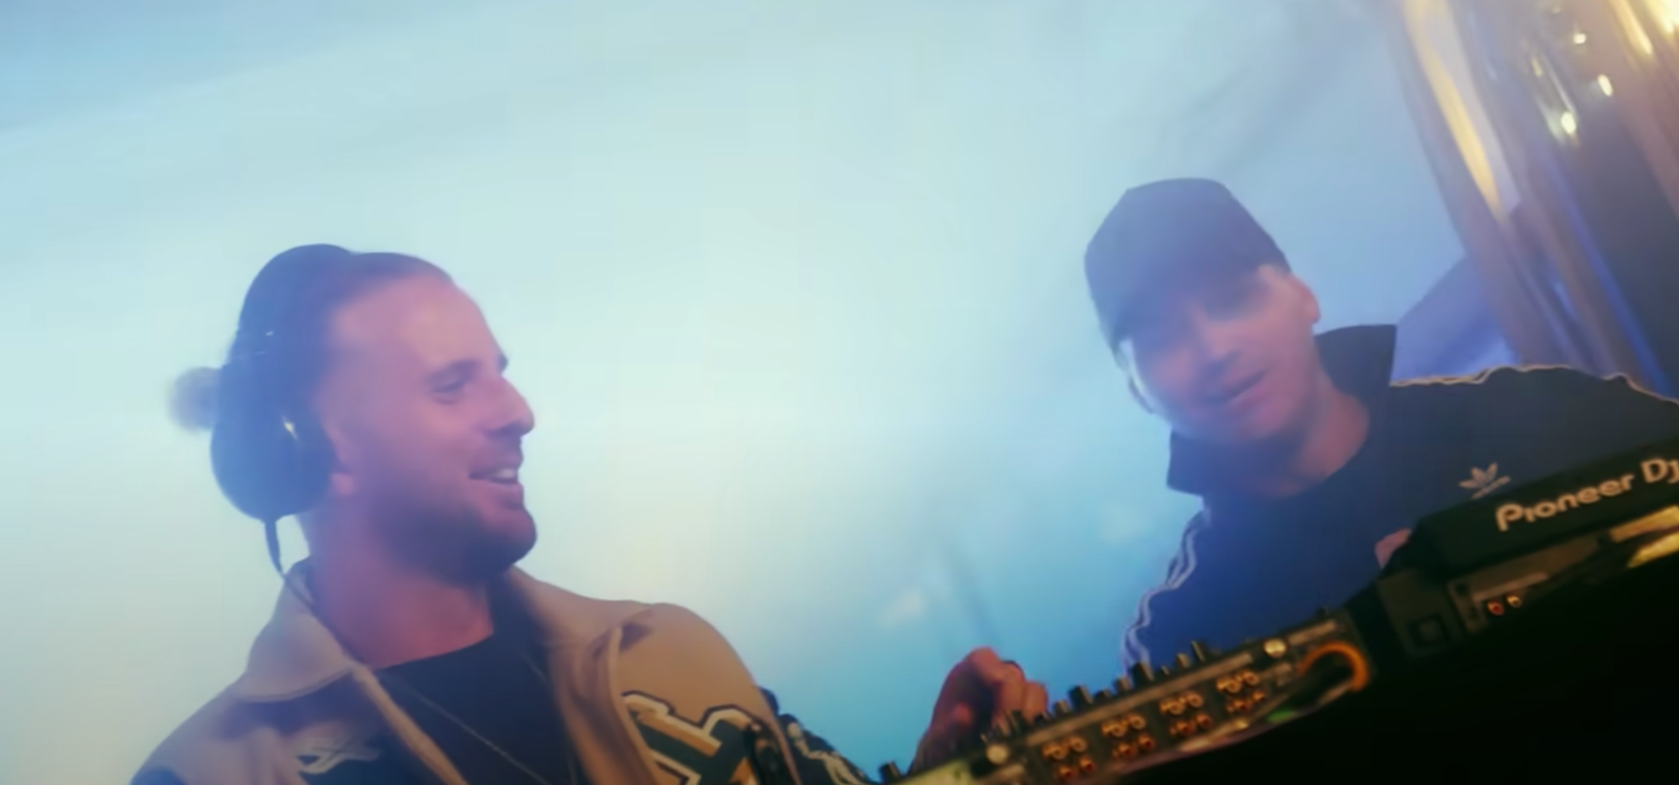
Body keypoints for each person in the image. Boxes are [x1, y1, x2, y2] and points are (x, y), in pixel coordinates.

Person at [134, 245, 1045, 785]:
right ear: (316, 448)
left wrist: (946, 769)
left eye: (500, 372)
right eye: (453, 385)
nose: (518, 411)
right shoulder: (209, 774)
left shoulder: (675, 657)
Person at [1081, 179, 1679, 671]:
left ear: (1302, 296)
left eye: (1232, 300)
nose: (1214, 348)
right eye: (1162, 338)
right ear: (1136, 388)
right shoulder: (1182, 635)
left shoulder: (1551, 408)